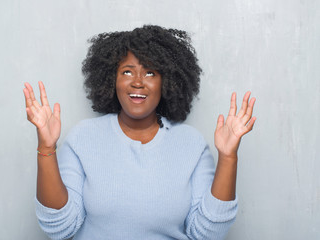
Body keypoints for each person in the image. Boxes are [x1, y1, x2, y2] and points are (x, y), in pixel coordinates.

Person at [23, 25, 256, 240]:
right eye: (127, 72)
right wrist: (46, 147)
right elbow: (60, 227)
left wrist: (228, 157)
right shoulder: (82, 138)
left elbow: (207, 233)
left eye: (150, 73)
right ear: (111, 80)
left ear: (166, 82)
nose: (137, 82)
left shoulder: (191, 144)